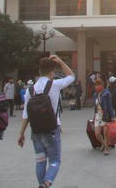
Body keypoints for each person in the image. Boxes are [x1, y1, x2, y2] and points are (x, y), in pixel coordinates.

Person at [18, 55, 75, 188]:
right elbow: (71, 76)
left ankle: (41, 184)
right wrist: (60, 61)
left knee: (40, 161)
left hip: (36, 131)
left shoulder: (30, 90)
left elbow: (26, 114)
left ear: (40, 71)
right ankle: (47, 183)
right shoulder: (55, 85)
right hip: (52, 129)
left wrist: (21, 133)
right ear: (52, 72)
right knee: (55, 161)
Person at [93, 78, 115, 155]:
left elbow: (110, 106)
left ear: (102, 85)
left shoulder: (107, 93)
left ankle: (106, 149)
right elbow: (95, 106)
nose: (96, 86)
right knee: (97, 134)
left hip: (105, 115)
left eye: (98, 85)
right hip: (98, 115)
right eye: (95, 85)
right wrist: (94, 116)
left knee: (105, 134)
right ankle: (104, 144)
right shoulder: (95, 94)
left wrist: (112, 116)